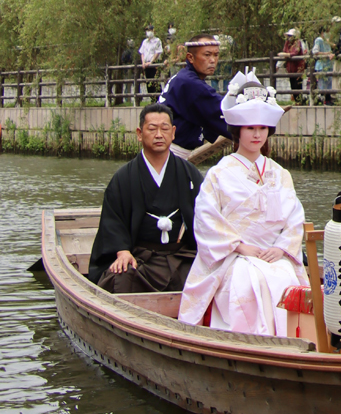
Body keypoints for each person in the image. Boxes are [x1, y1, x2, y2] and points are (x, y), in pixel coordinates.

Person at [178, 72, 308, 336]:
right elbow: (205, 219)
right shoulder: (219, 173)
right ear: (238, 131)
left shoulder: (280, 173)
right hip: (232, 255)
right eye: (250, 128)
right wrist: (239, 246)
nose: (257, 134)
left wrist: (282, 248)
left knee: (284, 276)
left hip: (274, 252)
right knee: (248, 279)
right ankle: (246, 340)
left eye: (262, 128)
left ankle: (287, 339)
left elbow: (295, 218)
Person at [88, 104, 203, 294]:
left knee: (210, 275)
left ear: (173, 133)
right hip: (140, 258)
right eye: (152, 129)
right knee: (120, 278)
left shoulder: (189, 175)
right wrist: (122, 251)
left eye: (165, 128)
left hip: (180, 256)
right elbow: (112, 221)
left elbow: (206, 216)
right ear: (140, 133)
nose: (159, 134)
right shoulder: (124, 177)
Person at [158, 33, 230, 159]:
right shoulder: (189, 83)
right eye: (207, 55)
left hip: (172, 153)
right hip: (169, 154)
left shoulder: (185, 77)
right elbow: (223, 109)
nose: (213, 60)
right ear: (190, 58)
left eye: (216, 55)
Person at [278, 28, 307, 102]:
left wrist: (285, 54)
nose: (289, 38)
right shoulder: (287, 43)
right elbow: (284, 53)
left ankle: (300, 102)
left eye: (290, 36)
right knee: (293, 86)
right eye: (288, 36)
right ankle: (297, 101)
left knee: (297, 85)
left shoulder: (298, 43)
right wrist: (278, 65)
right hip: (290, 68)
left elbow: (295, 53)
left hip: (298, 68)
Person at [312, 24, 335, 105]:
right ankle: (322, 99)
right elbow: (315, 52)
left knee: (329, 83)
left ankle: (328, 99)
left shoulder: (327, 41)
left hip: (328, 65)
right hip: (322, 65)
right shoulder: (319, 40)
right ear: (322, 32)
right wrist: (326, 54)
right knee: (322, 83)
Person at [139, 25, 163, 99]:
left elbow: (158, 52)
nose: (148, 32)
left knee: (155, 82)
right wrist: (143, 62)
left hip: (154, 64)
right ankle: (152, 98)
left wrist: (151, 62)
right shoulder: (145, 42)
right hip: (146, 65)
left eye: (150, 30)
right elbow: (142, 52)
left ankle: (158, 99)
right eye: (147, 31)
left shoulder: (157, 41)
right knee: (148, 82)